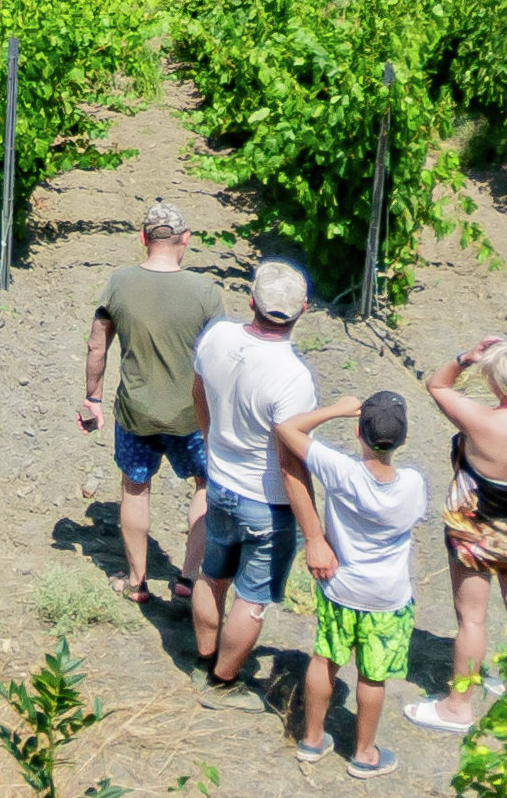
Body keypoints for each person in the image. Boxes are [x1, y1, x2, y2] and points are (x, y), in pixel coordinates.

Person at [412, 335, 507, 732]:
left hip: (475, 535)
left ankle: (458, 707)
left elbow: (437, 385)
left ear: (496, 385)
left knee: (472, 621)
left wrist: (465, 356)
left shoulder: (482, 422)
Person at [76, 201, 221, 612]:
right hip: (192, 417)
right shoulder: (205, 292)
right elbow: (221, 358)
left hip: (136, 413)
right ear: (185, 240)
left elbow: (96, 343)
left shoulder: (120, 284)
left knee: (135, 487)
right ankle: (189, 577)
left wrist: (92, 398)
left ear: (142, 239)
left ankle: (138, 582)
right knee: (206, 484)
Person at [185, 257, 317, 707]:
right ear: (303, 309)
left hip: (220, 482)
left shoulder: (218, 335)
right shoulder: (293, 377)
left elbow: (198, 391)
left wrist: (210, 439)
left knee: (212, 573)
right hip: (267, 502)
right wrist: (315, 531)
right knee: (253, 599)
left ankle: (204, 655)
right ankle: (223, 682)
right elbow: (291, 462)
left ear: (251, 301)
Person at [277, 390, 427, 776]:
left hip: (340, 587)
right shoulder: (412, 484)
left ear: (359, 433)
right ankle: (364, 753)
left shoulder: (340, 470)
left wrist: (337, 410)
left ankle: (312, 740)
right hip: (388, 598)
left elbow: (286, 428)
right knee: (373, 676)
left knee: (325, 658)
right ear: (403, 440)